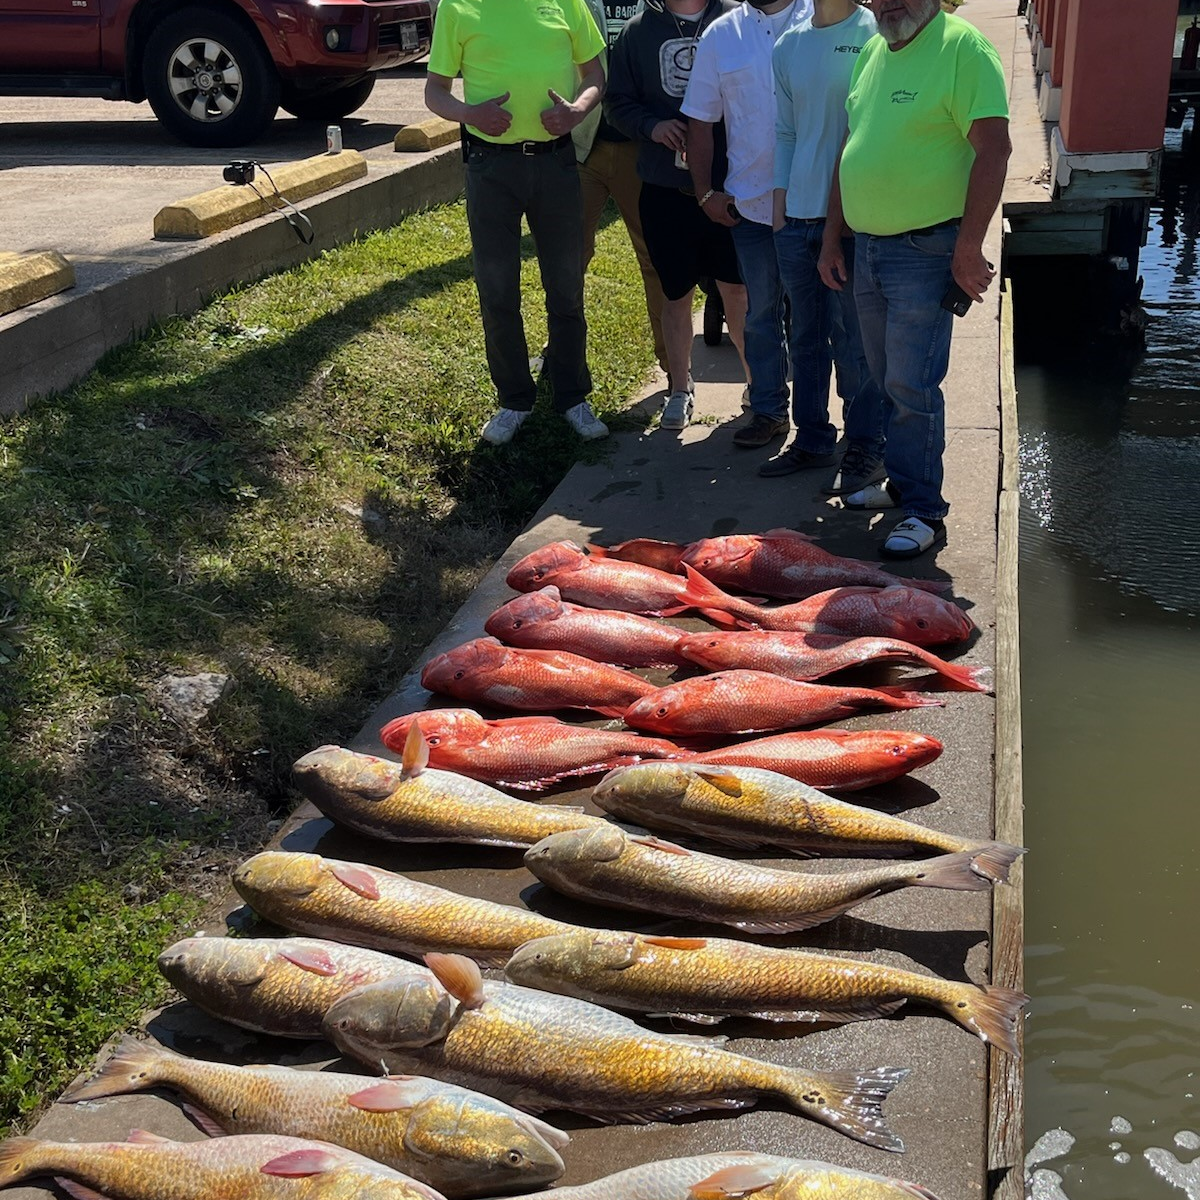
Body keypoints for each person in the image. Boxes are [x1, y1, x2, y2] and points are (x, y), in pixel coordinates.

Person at [819, 0, 1010, 557]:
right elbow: (850, 150)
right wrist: (834, 236)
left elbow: (994, 150)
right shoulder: (873, 52)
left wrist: (968, 247)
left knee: (912, 386)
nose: (887, 3)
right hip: (870, 248)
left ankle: (925, 510)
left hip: (926, 252)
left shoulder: (963, 48)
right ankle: (903, 484)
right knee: (884, 380)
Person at [424, 0, 608, 447]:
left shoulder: (567, 3)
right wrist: (471, 115)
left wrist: (576, 112)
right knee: (497, 287)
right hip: (491, 167)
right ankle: (513, 400)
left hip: (556, 164)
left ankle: (571, 396)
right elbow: (435, 91)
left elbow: (594, 75)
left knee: (566, 286)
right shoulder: (458, 7)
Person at [605, 0, 750, 432]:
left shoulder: (737, 21)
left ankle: (758, 385)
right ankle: (680, 388)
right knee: (675, 294)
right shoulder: (637, 32)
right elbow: (616, 103)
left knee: (738, 292)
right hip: (666, 189)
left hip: (730, 184)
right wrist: (652, 127)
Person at [765, 0, 884, 490]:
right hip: (797, 218)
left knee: (857, 344)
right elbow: (787, 133)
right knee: (806, 337)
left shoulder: (875, 31)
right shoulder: (788, 45)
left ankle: (864, 446)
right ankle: (813, 439)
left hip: (855, 221)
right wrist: (780, 207)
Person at [681, 0, 809, 451]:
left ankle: (832, 426)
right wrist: (705, 193)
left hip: (816, 205)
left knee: (825, 322)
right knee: (760, 315)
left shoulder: (828, 20)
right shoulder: (721, 35)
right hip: (751, 206)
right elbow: (699, 124)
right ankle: (770, 411)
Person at [575, 0, 670, 377]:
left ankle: (674, 364)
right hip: (585, 145)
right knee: (570, 257)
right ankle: (564, 358)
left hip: (641, 147)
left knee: (656, 259)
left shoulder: (659, 5)